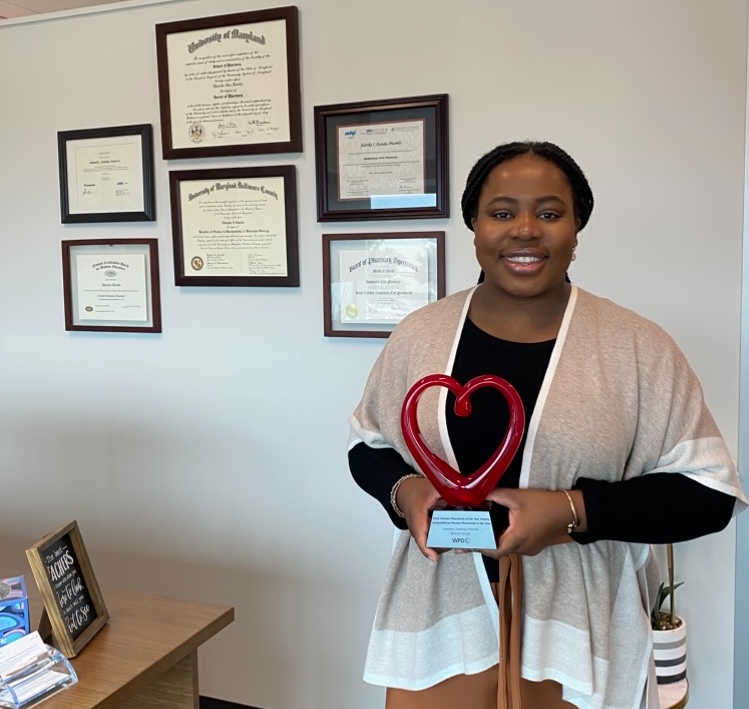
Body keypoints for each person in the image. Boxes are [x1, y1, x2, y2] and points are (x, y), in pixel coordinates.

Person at [348, 141, 747, 709]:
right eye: (502, 212)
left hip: (577, 629)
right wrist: (405, 491)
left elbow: (708, 495)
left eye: (550, 213)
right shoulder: (420, 335)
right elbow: (368, 445)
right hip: (441, 614)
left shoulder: (638, 347)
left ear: (576, 228)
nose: (525, 230)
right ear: (474, 225)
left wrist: (570, 511)